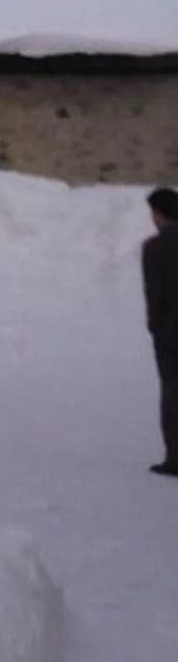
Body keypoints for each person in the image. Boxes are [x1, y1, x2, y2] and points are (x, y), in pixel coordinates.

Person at [152, 186, 178, 476]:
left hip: (171, 334)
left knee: (173, 394)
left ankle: (176, 457)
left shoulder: (155, 248)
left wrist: (156, 328)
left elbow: (155, 300)